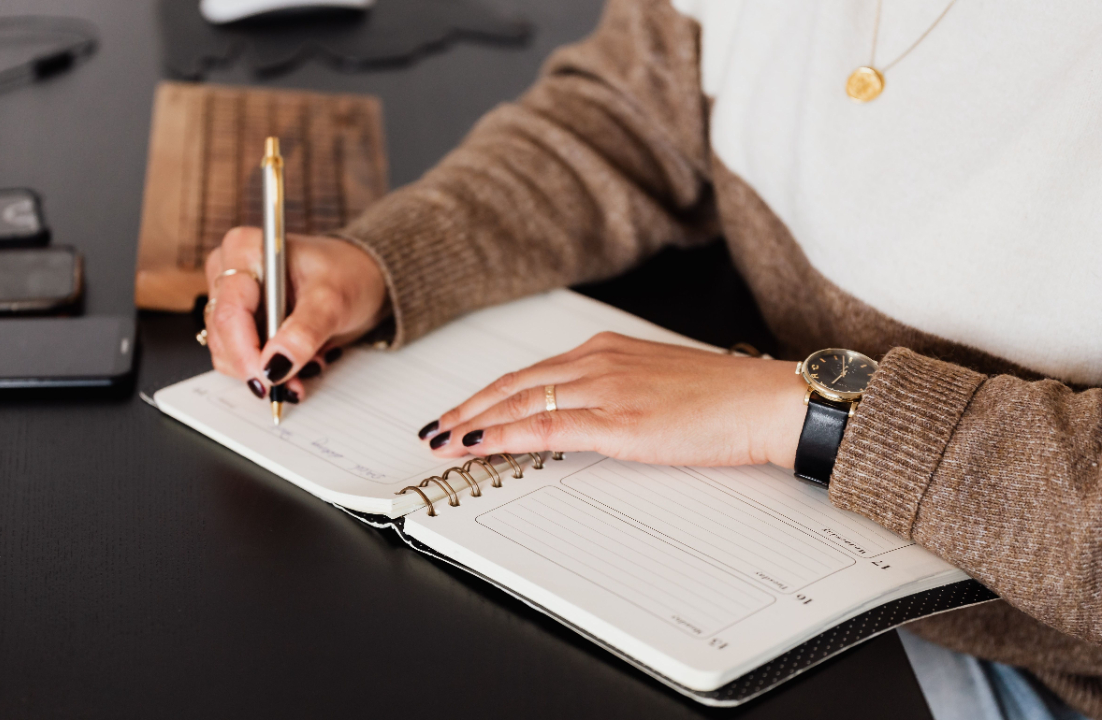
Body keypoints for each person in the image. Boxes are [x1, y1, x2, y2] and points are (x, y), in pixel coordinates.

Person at [199, 0, 1102, 717]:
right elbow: (627, 116)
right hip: (800, 549)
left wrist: (811, 413)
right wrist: (383, 261)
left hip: (1030, 662)